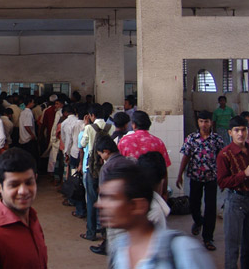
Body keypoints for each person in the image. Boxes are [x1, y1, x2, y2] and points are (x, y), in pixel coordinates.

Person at [98, 164, 215, 269]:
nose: (100, 204)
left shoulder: (182, 251)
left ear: (137, 206)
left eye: (111, 198)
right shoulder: (119, 251)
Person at [176, 110, 224, 251]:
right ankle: (198, 221)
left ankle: (208, 238)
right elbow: (186, 157)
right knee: (194, 205)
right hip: (195, 176)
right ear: (198, 122)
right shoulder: (191, 138)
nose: (204, 124)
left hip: (212, 178)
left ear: (211, 123)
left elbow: (222, 159)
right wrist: (180, 175)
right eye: (201, 121)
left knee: (210, 208)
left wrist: (223, 177)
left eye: (207, 121)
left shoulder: (217, 140)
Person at [216, 116, 249, 269]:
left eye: (243, 130)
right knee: (232, 246)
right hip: (235, 201)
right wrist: (244, 174)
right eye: (237, 131)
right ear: (230, 132)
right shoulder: (224, 154)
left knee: (247, 246)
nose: (240, 134)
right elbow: (222, 182)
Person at [80, 104, 115, 241]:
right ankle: (106, 232)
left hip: (92, 168)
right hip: (107, 168)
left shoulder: (89, 128)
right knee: (107, 200)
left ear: (91, 115)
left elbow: (83, 144)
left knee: (92, 201)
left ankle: (91, 232)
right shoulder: (110, 127)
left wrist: (85, 127)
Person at [118, 110, 171, 198]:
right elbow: (164, 171)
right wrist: (164, 193)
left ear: (134, 125)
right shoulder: (158, 142)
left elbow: (118, 166)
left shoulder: (124, 141)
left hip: (130, 189)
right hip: (153, 191)